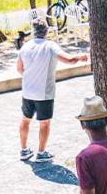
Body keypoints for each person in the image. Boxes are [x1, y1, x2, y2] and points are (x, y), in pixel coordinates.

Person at [17, 19, 89, 162]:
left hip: (27, 91)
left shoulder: (25, 47)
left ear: (32, 31)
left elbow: (19, 69)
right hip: (44, 93)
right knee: (44, 122)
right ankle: (41, 152)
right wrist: (81, 56)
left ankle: (24, 150)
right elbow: (68, 60)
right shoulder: (50, 46)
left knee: (25, 120)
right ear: (47, 31)